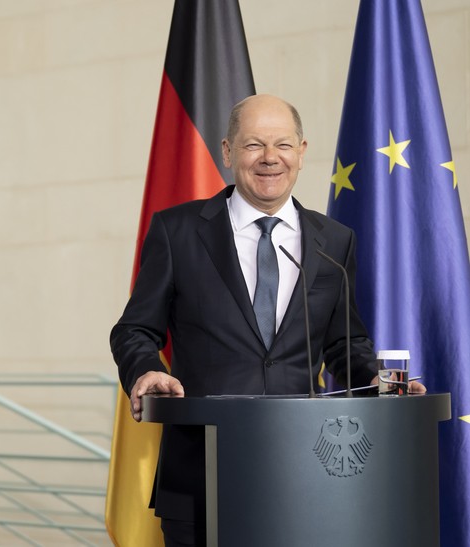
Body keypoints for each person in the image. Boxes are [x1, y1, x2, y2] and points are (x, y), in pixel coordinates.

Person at [109, 94, 425, 546]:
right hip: (200, 475)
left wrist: (382, 380)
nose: (270, 158)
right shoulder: (177, 231)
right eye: (254, 144)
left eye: (282, 145)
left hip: (303, 475)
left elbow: (343, 343)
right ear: (227, 151)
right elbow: (134, 329)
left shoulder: (333, 242)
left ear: (301, 151)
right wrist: (146, 369)